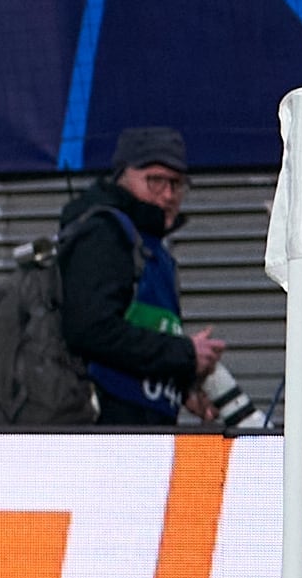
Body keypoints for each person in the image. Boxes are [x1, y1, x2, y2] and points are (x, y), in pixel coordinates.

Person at [60, 125, 226, 427]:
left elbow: (137, 342)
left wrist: (180, 385)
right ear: (124, 176)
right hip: (105, 438)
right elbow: (90, 329)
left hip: (145, 434)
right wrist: (184, 352)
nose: (168, 195)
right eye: (155, 180)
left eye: (177, 184)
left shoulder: (153, 249)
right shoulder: (104, 233)